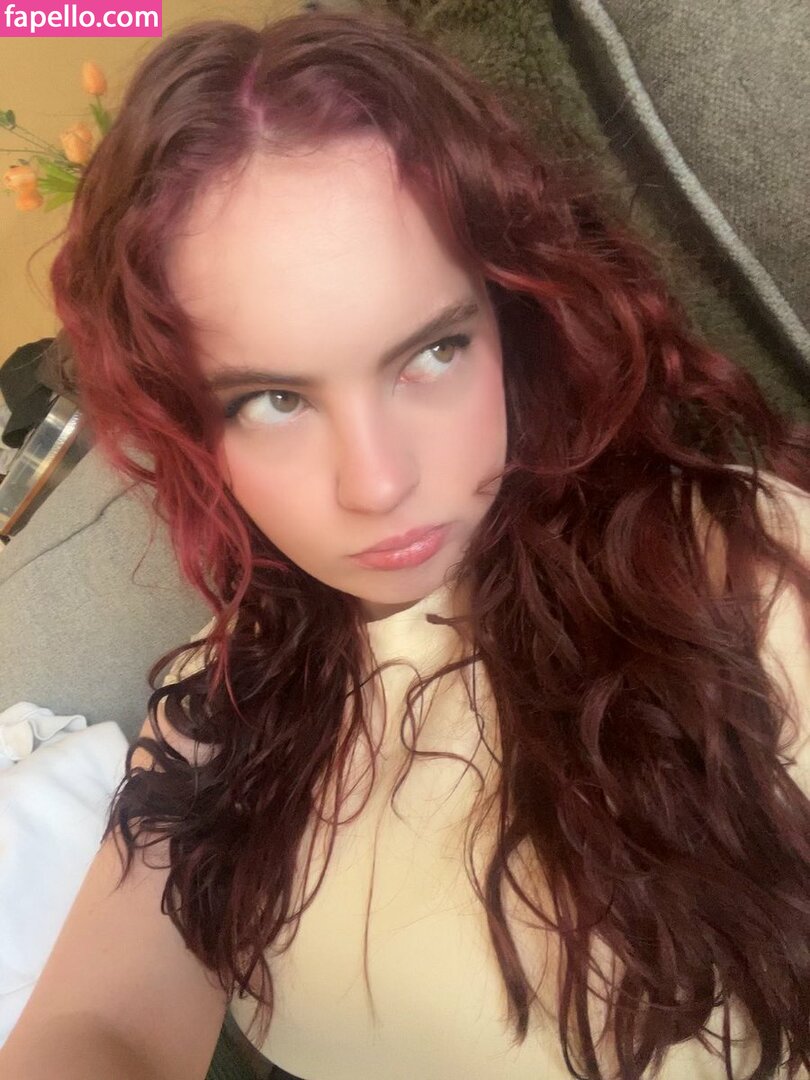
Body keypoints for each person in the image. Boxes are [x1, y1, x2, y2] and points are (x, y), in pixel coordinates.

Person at [1, 8, 809, 1080]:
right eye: (274, 398)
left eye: (432, 352)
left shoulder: (738, 568)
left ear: (511, 318)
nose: (378, 484)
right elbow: (102, 1029)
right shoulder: (220, 701)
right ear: (193, 425)